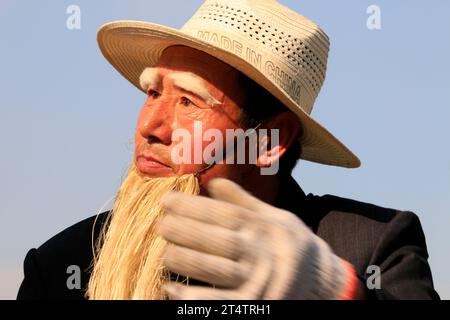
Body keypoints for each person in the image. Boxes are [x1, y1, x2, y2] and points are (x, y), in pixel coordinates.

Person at [17, 0, 439, 300]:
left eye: (188, 101)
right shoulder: (62, 267)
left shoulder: (370, 248)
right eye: (152, 92)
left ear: (270, 142)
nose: (150, 127)